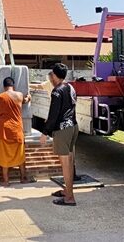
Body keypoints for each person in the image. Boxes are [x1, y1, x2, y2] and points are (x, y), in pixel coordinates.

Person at [41, 63, 78, 206]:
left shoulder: (56, 91)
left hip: (62, 129)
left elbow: (53, 114)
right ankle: (67, 190)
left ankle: (69, 197)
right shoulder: (70, 87)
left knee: (65, 164)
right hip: (73, 126)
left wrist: (45, 132)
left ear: (55, 75)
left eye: (51, 74)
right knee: (70, 161)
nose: (50, 77)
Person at [0, 77, 34, 187]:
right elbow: (25, 100)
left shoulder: (0, 97)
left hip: (4, 130)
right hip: (17, 129)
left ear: (4, 86)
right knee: (20, 155)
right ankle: (23, 178)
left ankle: (6, 181)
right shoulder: (19, 95)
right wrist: (29, 97)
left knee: (4, 155)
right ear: (13, 86)